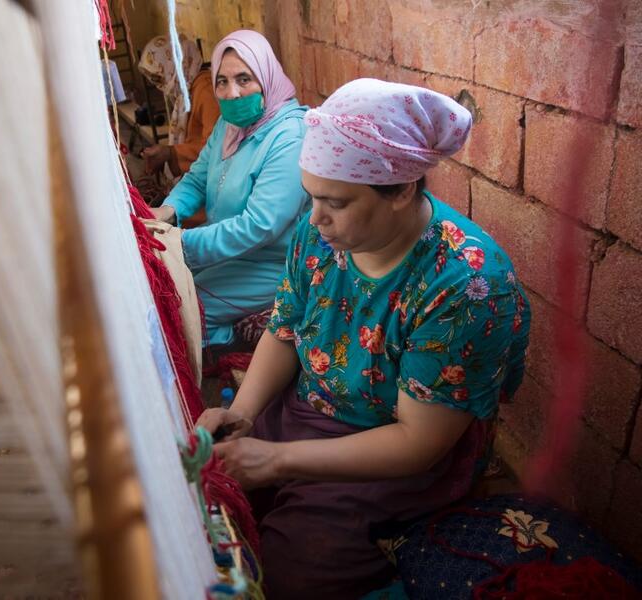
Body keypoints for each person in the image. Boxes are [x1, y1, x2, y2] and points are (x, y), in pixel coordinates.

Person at [197, 78, 532, 599]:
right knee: (208, 497)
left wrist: (278, 460)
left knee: (289, 575)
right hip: (308, 411)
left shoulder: (465, 286)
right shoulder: (320, 234)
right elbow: (285, 329)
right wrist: (242, 413)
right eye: (311, 197)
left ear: (401, 190)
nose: (315, 219)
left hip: (388, 453)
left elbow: (416, 442)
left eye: (336, 202)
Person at [151, 30, 310, 347]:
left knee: (181, 307)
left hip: (273, 263)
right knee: (162, 287)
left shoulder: (289, 136)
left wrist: (180, 242)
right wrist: (167, 213)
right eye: (221, 82)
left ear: (266, 77)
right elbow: (196, 178)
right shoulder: (230, 126)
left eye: (244, 79)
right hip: (227, 252)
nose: (232, 92)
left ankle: (228, 344)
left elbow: (260, 226)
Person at [138, 34, 220, 177]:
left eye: (160, 77)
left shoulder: (205, 90)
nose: (161, 86)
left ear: (175, 65)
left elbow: (218, 148)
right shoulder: (189, 92)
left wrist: (170, 153)